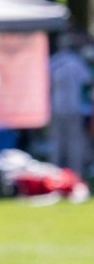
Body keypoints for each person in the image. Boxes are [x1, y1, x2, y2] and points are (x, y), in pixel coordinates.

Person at [48, 33, 90, 177]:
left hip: (57, 107)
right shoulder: (76, 62)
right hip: (73, 107)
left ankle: (56, 173)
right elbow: (87, 80)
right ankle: (75, 173)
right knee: (74, 142)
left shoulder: (53, 61)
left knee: (58, 141)